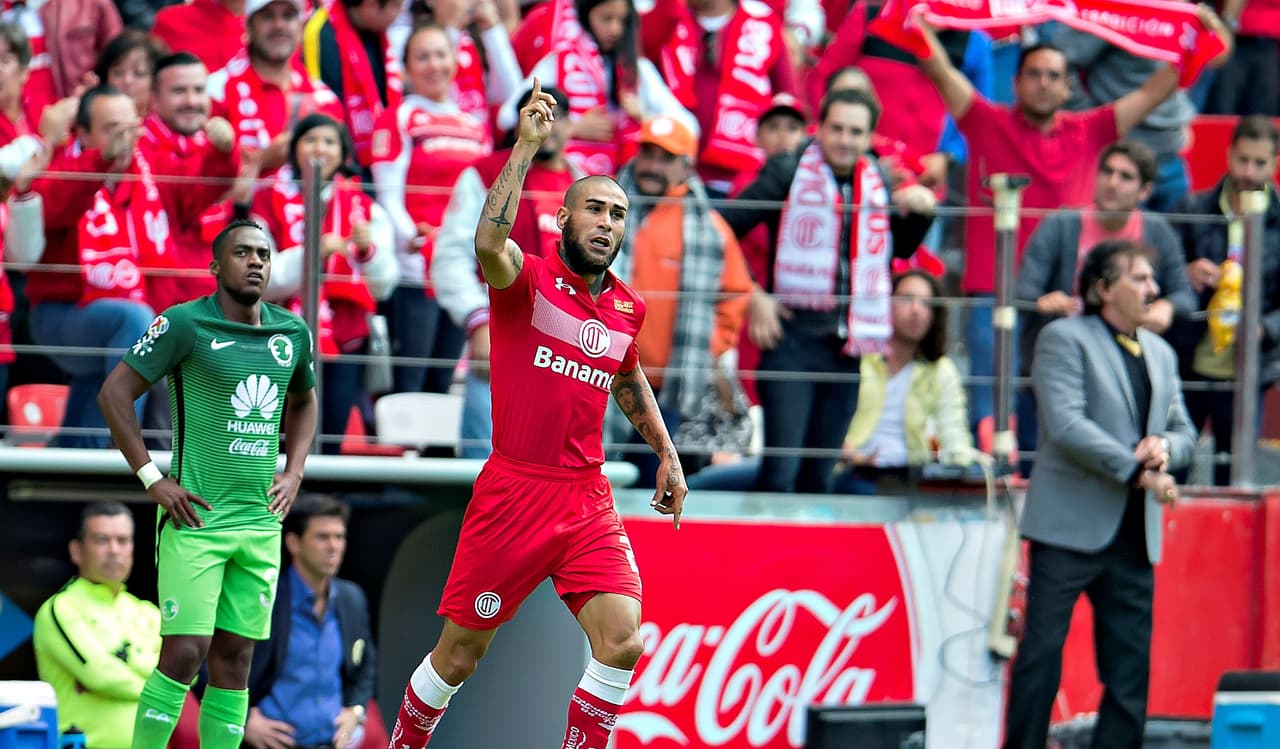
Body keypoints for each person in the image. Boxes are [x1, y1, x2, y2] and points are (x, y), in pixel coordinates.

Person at [387, 79, 687, 749]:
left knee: (623, 641)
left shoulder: (626, 309)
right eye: (594, 210)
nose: (606, 222)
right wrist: (525, 146)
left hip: (586, 496)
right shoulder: (527, 281)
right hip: (514, 492)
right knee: (459, 656)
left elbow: (627, 371)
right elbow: (488, 243)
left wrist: (666, 452)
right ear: (564, 220)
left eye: (617, 213)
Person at [914, 14, 1223, 434]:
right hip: (995, 294)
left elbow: (1155, 91)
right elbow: (936, 65)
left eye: (1053, 75)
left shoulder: (1091, 129)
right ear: (1016, 81)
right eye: (1034, 74)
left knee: (1066, 419)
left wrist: (1197, 33)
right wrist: (911, 16)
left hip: (1067, 304)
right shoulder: (984, 120)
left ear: (1068, 86)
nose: (1044, 82)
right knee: (989, 416)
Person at [96, 218, 318, 748]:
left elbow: (306, 401)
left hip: (260, 523)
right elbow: (114, 394)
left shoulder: (292, 332)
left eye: (263, 253)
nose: (256, 261)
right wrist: (153, 479)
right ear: (216, 267)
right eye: (242, 253)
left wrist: (294, 470)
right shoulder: (184, 324)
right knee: (186, 651)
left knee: (236, 659)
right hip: (195, 518)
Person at [1004, 239, 1196, 749]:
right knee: (1041, 656)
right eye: (1139, 278)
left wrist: (1165, 449)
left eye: (1153, 279)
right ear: (1103, 289)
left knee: (1130, 669)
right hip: (1067, 529)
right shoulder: (1063, 338)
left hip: (1135, 533)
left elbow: (1184, 430)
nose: (1153, 289)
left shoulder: (1162, 351)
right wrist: (1135, 469)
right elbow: (1067, 425)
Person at [719, 87, 936, 494]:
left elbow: (898, 247)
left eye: (855, 132)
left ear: (870, 137)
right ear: (819, 129)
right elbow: (721, 227)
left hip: (848, 351)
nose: (844, 140)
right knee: (781, 478)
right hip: (792, 342)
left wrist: (922, 215)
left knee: (819, 479)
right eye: (836, 129)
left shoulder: (876, 180)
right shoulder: (787, 169)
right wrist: (752, 294)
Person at [1015, 140, 1197, 470]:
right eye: (1107, 172)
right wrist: (1045, 302)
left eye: (1125, 177)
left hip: (1128, 360)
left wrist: (1167, 308)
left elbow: (1183, 294)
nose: (1112, 182)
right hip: (1060, 355)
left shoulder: (1156, 230)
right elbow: (1024, 291)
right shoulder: (1061, 224)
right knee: (1041, 457)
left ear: (1145, 191)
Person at [430, 84, 578, 458]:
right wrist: (478, 318)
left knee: (559, 468)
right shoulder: (484, 173)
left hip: (568, 349)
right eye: (538, 114)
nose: (549, 125)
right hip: (501, 339)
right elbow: (449, 256)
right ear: (520, 124)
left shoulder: (582, 184)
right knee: (487, 467)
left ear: (571, 126)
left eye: (557, 116)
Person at [614, 114, 752, 479]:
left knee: (649, 489)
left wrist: (705, 348)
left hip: (667, 393)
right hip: (602, 380)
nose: (652, 166)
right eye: (647, 154)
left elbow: (735, 296)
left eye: (665, 158)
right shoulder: (606, 210)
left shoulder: (710, 229)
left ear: (686, 167)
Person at [253, 114, 398, 453]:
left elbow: (384, 285)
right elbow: (260, 278)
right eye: (311, 139)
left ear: (344, 155)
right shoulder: (266, 200)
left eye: (330, 141)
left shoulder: (363, 207)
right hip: (276, 338)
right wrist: (313, 253)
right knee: (274, 437)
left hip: (345, 337)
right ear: (294, 150)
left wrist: (367, 251)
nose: (320, 148)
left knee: (331, 431)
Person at [370, 23, 494, 397]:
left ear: (454, 61)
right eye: (422, 56)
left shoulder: (475, 125)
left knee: (442, 383)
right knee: (411, 380)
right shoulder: (398, 116)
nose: (434, 64)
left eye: (441, 54)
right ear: (405, 68)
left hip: (459, 270)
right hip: (415, 271)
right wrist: (415, 240)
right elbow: (387, 194)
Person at [1168, 114, 1280, 486]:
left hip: (1248, 370)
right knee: (1173, 471)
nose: (1249, 171)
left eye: (1259, 162)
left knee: (1233, 479)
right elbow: (1158, 273)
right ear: (1228, 154)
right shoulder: (1191, 208)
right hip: (1188, 362)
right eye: (1242, 159)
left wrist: (1266, 328)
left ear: (1275, 164)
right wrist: (1184, 273)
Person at [499, 0, 697, 177]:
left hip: (621, 183)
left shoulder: (638, 70)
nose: (615, 29)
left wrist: (644, 118)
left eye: (621, 20)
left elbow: (690, 127)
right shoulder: (559, 61)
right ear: (585, 16)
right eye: (606, 18)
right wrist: (571, 127)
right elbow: (507, 116)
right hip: (567, 179)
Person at [244, 495, 375, 749]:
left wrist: (356, 710)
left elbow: (367, 662)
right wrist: (245, 720)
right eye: (322, 537)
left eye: (339, 537)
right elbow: (211, 665)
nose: (334, 546)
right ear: (294, 543)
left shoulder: (351, 598)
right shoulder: (265, 599)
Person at [32, 503, 163, 749]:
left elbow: (188, 673)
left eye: (123, 540)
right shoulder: (62, 608)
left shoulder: (148, 612)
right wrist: (160, 684)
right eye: (102, 540)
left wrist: (128, 663)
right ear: (76, 551)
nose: (114, 550)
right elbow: (101, 676)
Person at [834, 270, 971, 493]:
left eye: (926, 303)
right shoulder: (857, 356)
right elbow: (825, 425)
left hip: (910, 476)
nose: (916, 310)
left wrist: (967, 468)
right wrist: (850, 454)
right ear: (886, 304)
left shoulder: (941, 370)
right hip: (852, 470)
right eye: (907, 299)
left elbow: (954, 433)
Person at [302, 0, 404, 169]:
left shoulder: (378, 34)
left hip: (378, 154)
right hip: (339, 156)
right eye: (396, 6)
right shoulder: (320, 32)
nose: (399, 13)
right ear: (371, 5)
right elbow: (321, 102)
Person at [94, 30, 165, 118]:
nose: (127, 80)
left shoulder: (170, 124)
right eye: (118, 73)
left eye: (139, 73)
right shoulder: (91, 124)